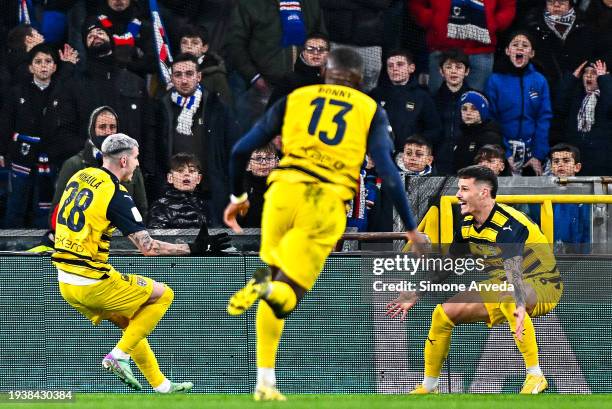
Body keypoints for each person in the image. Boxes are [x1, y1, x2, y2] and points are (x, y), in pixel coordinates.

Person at [223, 48, 429, 401]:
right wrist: (410, 227)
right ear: (359, 80)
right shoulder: (368, 109)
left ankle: (264, 381)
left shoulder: (296, 98)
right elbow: (390, 175)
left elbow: (240, 150)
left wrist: (238, 197)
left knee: (273, 272)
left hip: (282, 192)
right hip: (325, 203)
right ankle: (268, 292)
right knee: (290, 293)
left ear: (324, 73)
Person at [52, 133, 230, 393]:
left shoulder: (79, 176)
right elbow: (148, 248)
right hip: (92, 281)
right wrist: (194, 249)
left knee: (132, 322)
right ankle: (118, 356)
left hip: (65, 280)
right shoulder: (116, 194)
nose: (137, 164)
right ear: (124, 161)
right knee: (163, 294)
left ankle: (161, 385)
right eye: (136, 158)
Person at [386, 165, 563, 394]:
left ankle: (536, 376)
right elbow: (448, 264)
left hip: (543, 284)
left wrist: (520, 304)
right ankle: (429, 387)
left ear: (483, 193)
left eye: (464, 189)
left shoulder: (509, 225)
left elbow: (513, 270)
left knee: (510, 295)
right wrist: (416, 292)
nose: (458, 194)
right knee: (442, 314)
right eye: (459, 188)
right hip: (503, 284)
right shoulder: (467, 225)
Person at [152, 53, 238, 223]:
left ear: (199, 76)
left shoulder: (217, 107)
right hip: (173, 194)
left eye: (189, 74)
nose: (184, 80)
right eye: (178, 75)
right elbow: (154, 151)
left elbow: (232, 148)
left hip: (212, 192)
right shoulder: (160, 108)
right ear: (171, 78)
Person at [0, 44, 65, 228]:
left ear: (54, 67)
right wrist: (2, 151)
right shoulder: (17, 92)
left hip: (49, 158)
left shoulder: (63, 92)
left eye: (48, 61)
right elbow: (6, 123)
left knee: (45, 207)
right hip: (21, 156)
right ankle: (11, 250)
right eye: (38, 62)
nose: (43, 66)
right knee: (16, 204)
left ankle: (43, 248)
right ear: (30, 67)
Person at [50, 106, 148, 225]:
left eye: (113, 127)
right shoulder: (74, 165)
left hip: (123, 237)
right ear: (92, 130)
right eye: (102, 127)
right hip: (84, 239)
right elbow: (57, 211)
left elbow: (142, 209)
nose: (108, 132)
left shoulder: (131, 164)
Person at [485, 31, 552, 176]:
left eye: (525, 45)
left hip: (532, 153)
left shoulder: (539, 80)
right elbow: (491, 119)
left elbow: (544, 119)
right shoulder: (495, 80)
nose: (520, 48)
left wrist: (538, 155)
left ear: (532, 53)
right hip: (503, 150)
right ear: (508, 51)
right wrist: (503, 153)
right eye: (515, 45)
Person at [369, 49, 440, 154]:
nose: (394, 69)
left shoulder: (422, 96)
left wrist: (416, 144)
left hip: (409, 159)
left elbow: (435, 129)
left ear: (411, 68)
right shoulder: (376, 94)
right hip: (380, 155)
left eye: (400, 64)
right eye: (390, 66)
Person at [558, 60, 612, 176]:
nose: (588, 75)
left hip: (602, 162)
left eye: (594, 72)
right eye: (585, 72)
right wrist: (572, 79)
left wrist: (604, 79)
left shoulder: (605, 97)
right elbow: (560, 106)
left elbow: (610, 106)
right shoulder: (577, 97)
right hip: (577, 160)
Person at [433, 49, 472, 175]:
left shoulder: (475, 98)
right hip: (438, 161)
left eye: (459, 67)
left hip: (468, 161)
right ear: (441, 71)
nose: (454, 71)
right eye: (448, 67)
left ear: (466, 71)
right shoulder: (432, 100)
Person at [148, 153, 209, 229]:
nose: (186, 174)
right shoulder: (161, 207)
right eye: (180, 170)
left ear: (198, 178)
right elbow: (158, 238)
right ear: (170, 178)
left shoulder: (205, 206)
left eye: (191, 171)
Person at [178, 24, 232, 105]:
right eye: (184, 42)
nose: (188, 46)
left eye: (194, 43)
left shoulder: (215, 75)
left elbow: (227, 109)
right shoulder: (171, 71)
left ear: (204, 48)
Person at [453, 90, 503, 172]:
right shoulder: (462, 136)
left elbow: (490, 172)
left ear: (483, 111)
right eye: (464, 109)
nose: (468, 113)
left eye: (474, 109)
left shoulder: (491, 138)